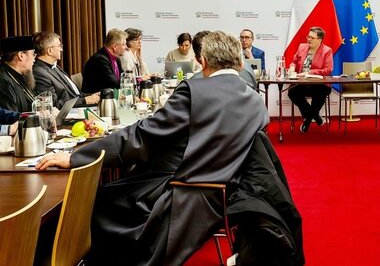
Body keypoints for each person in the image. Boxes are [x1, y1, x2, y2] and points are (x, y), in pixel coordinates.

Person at [36, 31, 272, 265]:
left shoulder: (195, 91)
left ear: (204, 62)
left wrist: (78, 157)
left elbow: (143, 136)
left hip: (183, 190)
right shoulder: (257, 103)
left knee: (101, 199)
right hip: (228, 193)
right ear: (241, 63)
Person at [33, 31, 100, 109]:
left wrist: (92, 96)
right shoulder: (39, 73)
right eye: (59, 46)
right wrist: (84, 100)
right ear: (49, 51)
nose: (61, 49)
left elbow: (74, 94)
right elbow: (54, 105)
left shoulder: (54, 66)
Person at [288, 26, 333, 133]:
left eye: (312, 38)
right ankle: (316, 117)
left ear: (320, 40)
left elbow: (328, 70)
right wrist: (292, 67)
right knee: (292, 92)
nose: (309, 39)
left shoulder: (327, 50)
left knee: (321, 92)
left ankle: (307, 121)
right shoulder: (302, 47)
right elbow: (294, 61)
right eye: (308, 37)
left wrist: (309, 73)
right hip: (302, 83)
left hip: (319, 84)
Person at [192, 30, 257, 89]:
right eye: (242, 37)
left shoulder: (194, 82)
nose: (244, 40)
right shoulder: (248, 69)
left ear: (202, 61)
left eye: (247, 37)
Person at [81, 29, 127, 94]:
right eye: (124, 44)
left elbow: (123, 77)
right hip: (96, 98)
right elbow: (113, 83)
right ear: (115, 47)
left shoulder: (116, 58)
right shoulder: (100, 60)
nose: (126, 47)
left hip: (110, 95)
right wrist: (131, 83)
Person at [0, 35, 37, 113]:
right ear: (21, 55)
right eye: (33, 54)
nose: (34, 59)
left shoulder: (23, 77)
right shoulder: (3, 81)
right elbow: (12, 116)